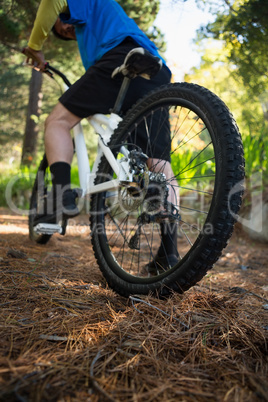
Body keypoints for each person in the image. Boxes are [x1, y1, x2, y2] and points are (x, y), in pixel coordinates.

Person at [23, 0, 178, 269]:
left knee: (57, 122)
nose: (67, 29)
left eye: (63, 26)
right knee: (158, 161)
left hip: (118, 58)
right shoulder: (105, 17)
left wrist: (35, 48)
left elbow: (51, 2)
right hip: (156, 70)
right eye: (64, 34)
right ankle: (168, 253)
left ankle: (62, 193)